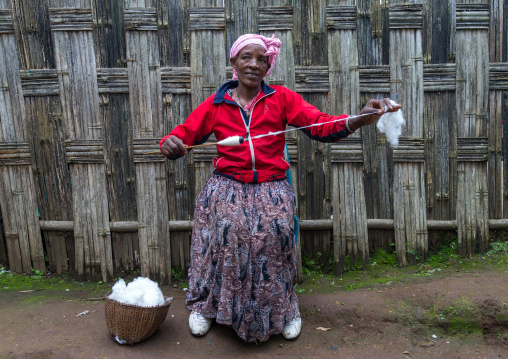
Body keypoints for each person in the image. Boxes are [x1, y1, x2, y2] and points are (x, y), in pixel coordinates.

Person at [160, 33, 401, 343]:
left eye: (262, 59)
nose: (254, 64)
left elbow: (320, 125)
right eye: (246, 57)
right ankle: (208, 307)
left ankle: (285, 311)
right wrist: (171, 143)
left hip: (271, 189)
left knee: (275, 242)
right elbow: (184, 136)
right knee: (223, 240)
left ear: (268, 67)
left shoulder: (282, 99)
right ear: (234, 62)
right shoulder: (217, 104)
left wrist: (357, 119)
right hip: (227, 188)